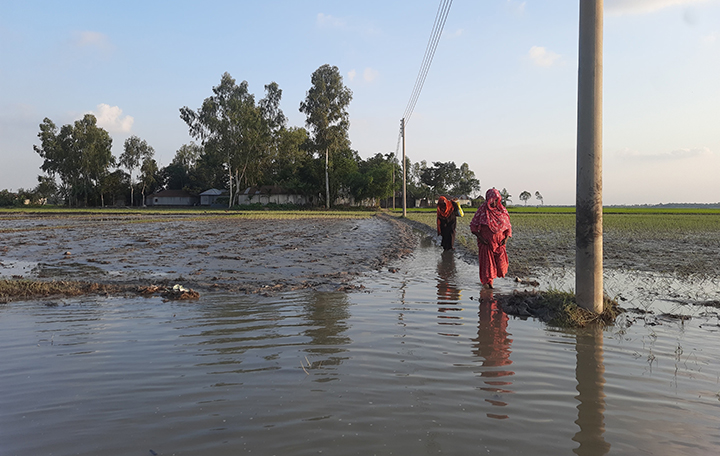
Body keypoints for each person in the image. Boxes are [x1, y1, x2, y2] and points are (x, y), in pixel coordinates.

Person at [470, 188, 512, 288]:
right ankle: (489, 285)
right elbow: (473, 226)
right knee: (488, 267)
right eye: (492, 200)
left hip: (500, 244)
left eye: (496, 200)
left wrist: (506, 238)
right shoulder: (482, 211)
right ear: (488, 199)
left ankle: (491, 282)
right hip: (486, 243)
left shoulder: (502, 211)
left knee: (501, 267)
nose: (494, 203)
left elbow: (508, 226)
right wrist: (480, 238)